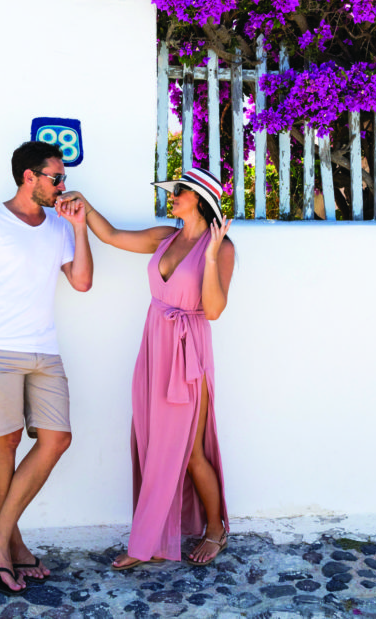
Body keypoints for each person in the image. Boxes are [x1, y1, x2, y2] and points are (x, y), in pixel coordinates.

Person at [60, 168, 234, 568]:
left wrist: (208, 256)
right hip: (155, 348)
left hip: (189, 354)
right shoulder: (164, 237)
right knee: (153, 442)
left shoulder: (221, 249)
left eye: (180, 193)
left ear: (201, 200)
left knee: (190, 449)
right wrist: (83, 203)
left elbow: (214, 310)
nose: (172, 198)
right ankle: (154, 535)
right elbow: (112, 236)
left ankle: (214, 530)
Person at [0, 141, 93, 595]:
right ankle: (10, 545)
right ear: (29, 177)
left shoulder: (57, 226)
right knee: (7, 441)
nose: (63, 186)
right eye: (56, 178)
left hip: (44, 351)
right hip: (0, 351)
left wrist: (79, 228)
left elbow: (82, 282)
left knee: (57, 439)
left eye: (63, 179)